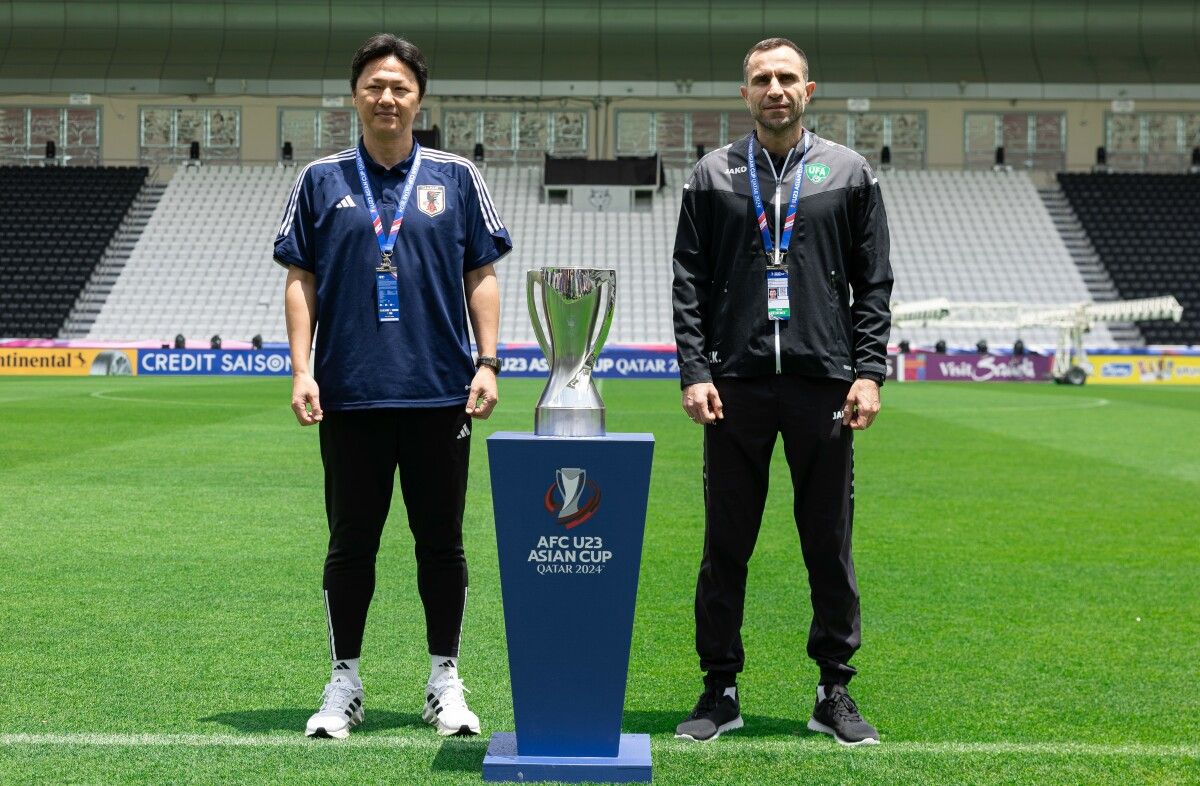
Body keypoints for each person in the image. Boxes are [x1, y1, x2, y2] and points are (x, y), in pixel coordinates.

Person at [273, 33, 511, 740]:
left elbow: (482, 275)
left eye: (399, 86)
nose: (387, 97)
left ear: (419, 97)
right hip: (349, 394)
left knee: (441, 545)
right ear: (356, 95)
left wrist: (489, 361)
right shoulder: (320, 180)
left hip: (442, 394)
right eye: (375, 85)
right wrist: (301, 368)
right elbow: (300, 279)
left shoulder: (457, 176)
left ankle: (446, 679)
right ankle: (344, 680)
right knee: (351, 545)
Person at [671, 37, 893, 746]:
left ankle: (834, 691)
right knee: (725, 545)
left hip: (822, 381)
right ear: (744, 94)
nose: (775, 88)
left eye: (787, 78)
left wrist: (868, 370)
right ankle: (720, 689)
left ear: (809, 89)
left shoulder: (849, 172)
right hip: (734, 385)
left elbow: (873, 282)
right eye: (762, 79)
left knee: (827, 543)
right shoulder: (712, 174)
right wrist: (696, 372)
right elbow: (688, 284)